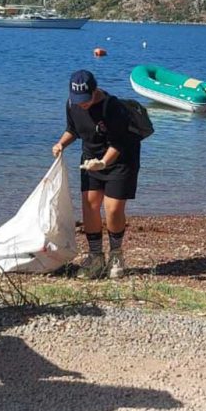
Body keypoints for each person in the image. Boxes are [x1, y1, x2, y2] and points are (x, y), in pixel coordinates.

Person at [51, 69, 141, 279]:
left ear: (95, 90)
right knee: (90, 205)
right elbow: (72, 129)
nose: (82, 103)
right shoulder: (72, 104)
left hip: (121, 160)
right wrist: (60, 144)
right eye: (78, 99)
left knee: (113, 209)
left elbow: (119, 143)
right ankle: (95, 257)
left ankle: (116, 255)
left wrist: (103, 163)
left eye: (86, 99)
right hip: (90, 159)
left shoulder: (113, 108)